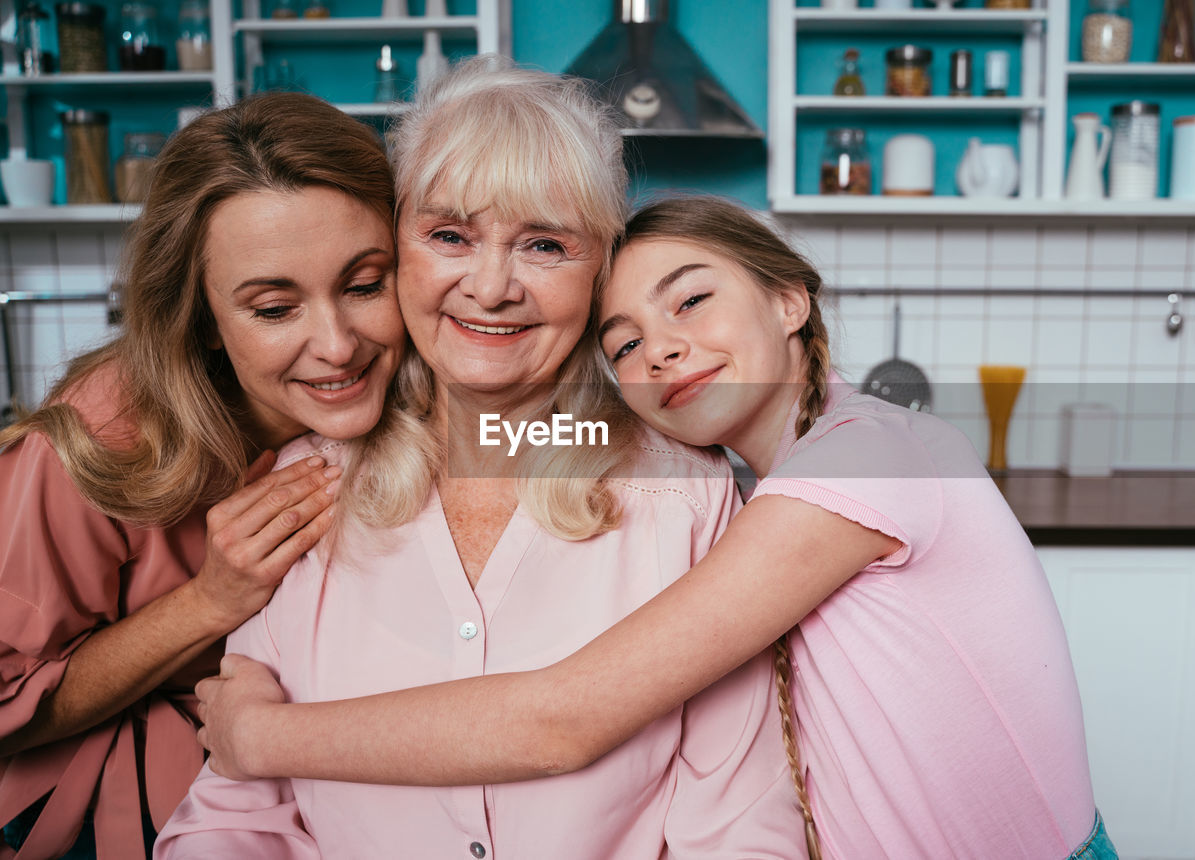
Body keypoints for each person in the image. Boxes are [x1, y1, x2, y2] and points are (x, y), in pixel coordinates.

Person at [191, 194, 1118, 860]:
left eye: (692, 299)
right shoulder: (759, 478)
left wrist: (259, 740)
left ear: (790, 300)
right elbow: (538, 432)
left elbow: (564, 717)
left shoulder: (862, 459)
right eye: (623, 343)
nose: (661, 347)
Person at [154, 62, 804, 859]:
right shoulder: (306, 486)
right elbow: (235, 820)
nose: (492, 288)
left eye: (544, 244)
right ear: (396, 246)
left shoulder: (688, 498)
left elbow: (743, 827)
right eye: (450, 236)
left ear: (601, 270)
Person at [0, 92, 405, 859]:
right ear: (203, 321)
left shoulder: (428, 393)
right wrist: (210, 602)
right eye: (275, 308)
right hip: (109, 803)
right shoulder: (103, 432)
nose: (338, 345)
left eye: (363, 285)